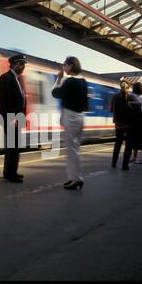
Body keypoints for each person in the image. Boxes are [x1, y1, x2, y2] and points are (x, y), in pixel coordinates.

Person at [52, 56, 88, 190]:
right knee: (75, 148)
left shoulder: (69, 81)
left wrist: (59, 79)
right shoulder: (83, 81)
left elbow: (55, 93)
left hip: (70, 117)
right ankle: (72, 177)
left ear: (71, 66)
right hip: (80, 117)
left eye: (65, 65)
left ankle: (77, 179)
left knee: (72, 150)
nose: (64, 68)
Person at [0, 54, 28, 183]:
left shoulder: (16, 79)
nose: (23, 67)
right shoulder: (6, 78)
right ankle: (11, 174)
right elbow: (6, 100)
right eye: (21, 64)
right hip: (11, 117)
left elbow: (20, 100)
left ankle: (9, 172)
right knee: (13, 146)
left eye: (24, 64)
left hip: (16, 117)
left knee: (14, 146)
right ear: (14, 64)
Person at [110, 80, 140, 170]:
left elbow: (111, 110)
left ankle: (114, 163)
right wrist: (130, 105)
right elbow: (139, 105)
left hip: (118, 124)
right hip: (129, 124)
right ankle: (125, 165)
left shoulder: (114, 97)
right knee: (128, 145)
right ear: (129, 87)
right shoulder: (133, 97)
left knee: (118, 144)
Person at [130, 82, 142, 164]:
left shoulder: (141, 97)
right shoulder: (140, 96)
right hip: (139, 119)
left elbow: (138, 107)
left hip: (141, 119)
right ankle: (135, 157)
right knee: (136, 139)